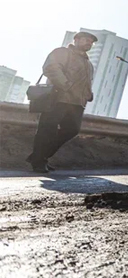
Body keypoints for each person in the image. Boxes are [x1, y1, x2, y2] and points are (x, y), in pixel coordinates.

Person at [27, 31, 96, 173]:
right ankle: (39, 161)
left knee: (72, 130)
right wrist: (66, 85)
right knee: (47, 129)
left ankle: (39, 156)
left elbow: (86, 83)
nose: (88, 43)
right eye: (86, 40)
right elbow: (51, 68)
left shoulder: (89, 64)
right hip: (58, 98)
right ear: (76, 40)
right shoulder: (62, 52)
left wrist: (89, 94)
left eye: (91, 42)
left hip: (77, 102)